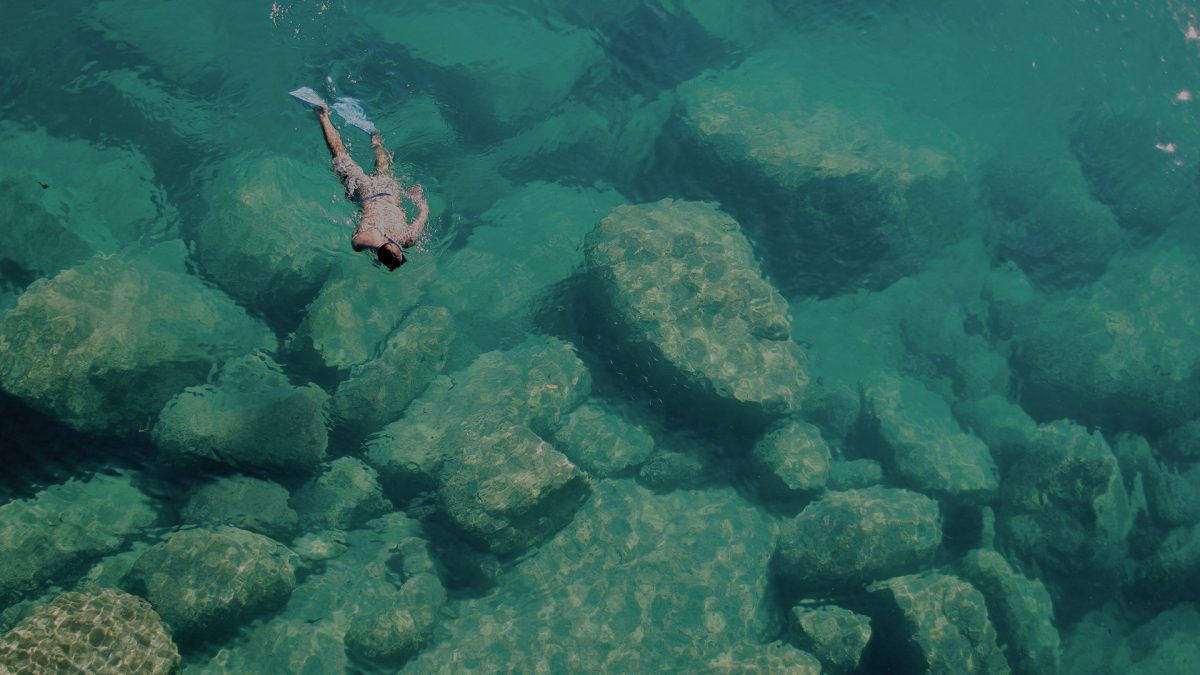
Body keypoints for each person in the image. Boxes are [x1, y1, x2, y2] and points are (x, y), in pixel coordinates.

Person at [314, 105, 429, 270]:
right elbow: (356, 238)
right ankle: (322, 115)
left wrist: (416, 197)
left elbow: (424, 212)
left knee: (382, 164)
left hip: (388, 191)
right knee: (339, 155)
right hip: (364, 194)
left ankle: (375, 136)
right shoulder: (361, 242)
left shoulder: (408, 238)